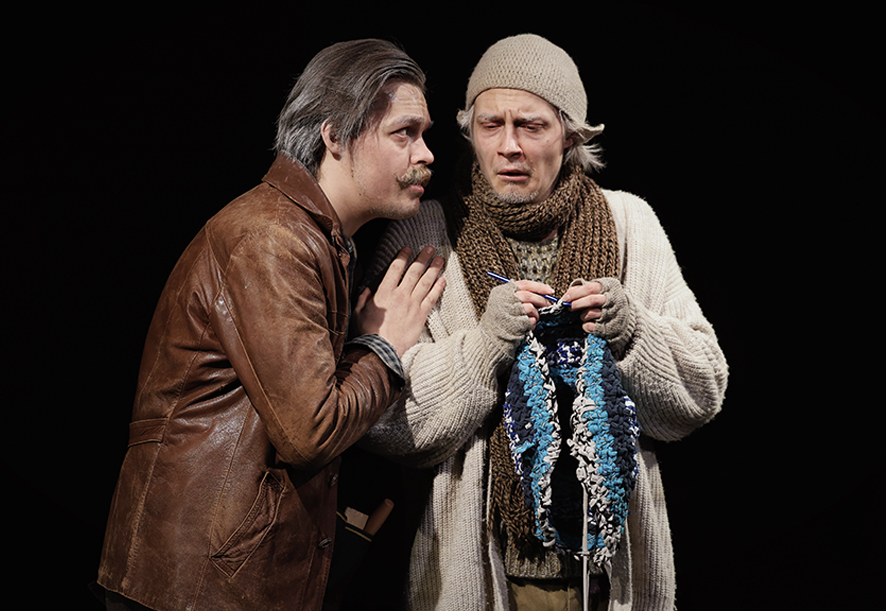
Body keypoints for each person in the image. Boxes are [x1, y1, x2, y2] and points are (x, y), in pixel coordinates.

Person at [359, 34, 728, 610]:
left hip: (612, 571)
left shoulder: (629, 223)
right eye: (491, 125)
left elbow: (702, 389)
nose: (508, 146)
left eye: (530, 126)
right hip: (480, 571)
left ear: (570, 136)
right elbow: (382, 420)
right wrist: (485, 346)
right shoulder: (424, 234)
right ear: (469, 131)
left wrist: (633, 332)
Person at [95, 38, 444, 611]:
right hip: (195, 590)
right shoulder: (272, 239)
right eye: (404, 133)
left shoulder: (316, 239)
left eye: (424, 133)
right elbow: (312, 431)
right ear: (334, 136)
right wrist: (383, 348)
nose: (426, 153)